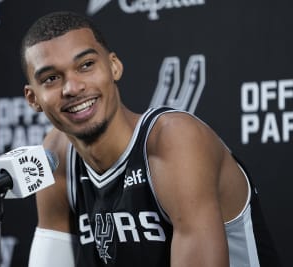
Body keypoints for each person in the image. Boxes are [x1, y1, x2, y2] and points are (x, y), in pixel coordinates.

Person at [20, 11, 280, 267]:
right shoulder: (57, 155)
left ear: (114, 66)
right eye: (52, 78)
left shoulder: (174, 139)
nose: (73, 88)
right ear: (33, 99)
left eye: (86, 65)